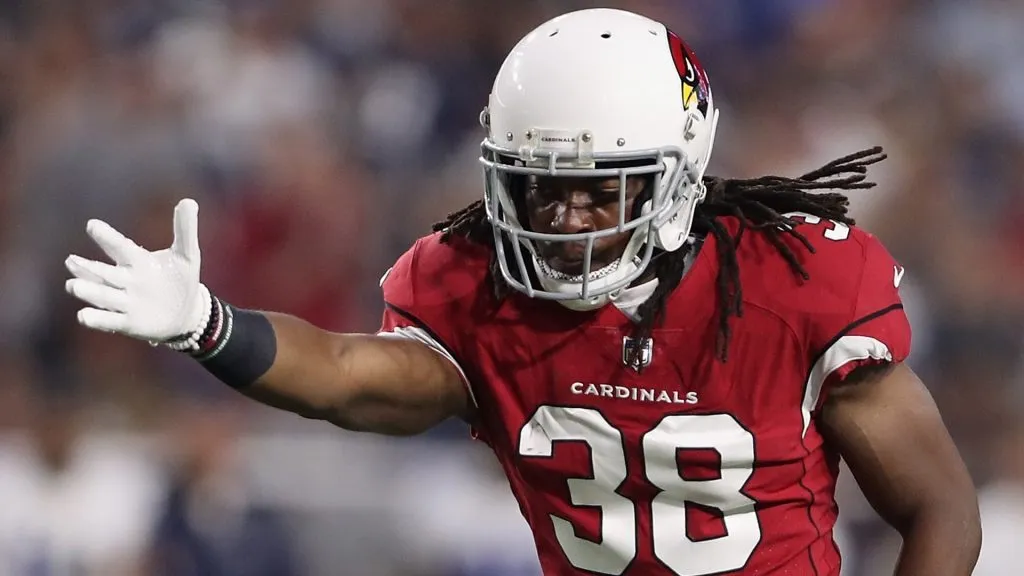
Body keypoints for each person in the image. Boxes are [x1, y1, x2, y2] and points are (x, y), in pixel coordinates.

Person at [63, 8, 981, 576]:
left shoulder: (794, 286)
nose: (566, 218)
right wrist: (207, 324)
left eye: (600, 190)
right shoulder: (481, 292)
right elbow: (346, 375)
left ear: (676, 180)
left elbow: (941, 511)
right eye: (542, 187)